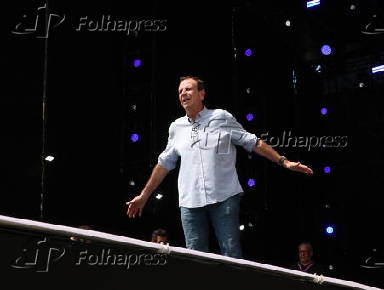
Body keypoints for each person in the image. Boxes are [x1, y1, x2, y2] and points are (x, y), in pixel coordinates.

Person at [126, 76, 313, 258]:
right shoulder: (176, 127)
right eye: (180, 91)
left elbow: (252, 142)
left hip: (224, 197)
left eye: (188, 89)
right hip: (190, 201)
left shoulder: (221, 117)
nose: (183, 93)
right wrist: (144, 195)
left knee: (230, 252)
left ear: (202, 94)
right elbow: (164, 164)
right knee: (195, 256)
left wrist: (283, 161)